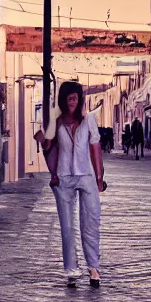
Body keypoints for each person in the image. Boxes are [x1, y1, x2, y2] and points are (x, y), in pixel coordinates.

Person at [35, 81, 104, 288]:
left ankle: (93, 267)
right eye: (68, 97)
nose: (72, 101)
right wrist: (42, 137)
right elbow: (49, 146)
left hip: (86, 176)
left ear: (80, 99)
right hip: (63, 177)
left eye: (75, 97)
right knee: (67, 226)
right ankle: (72, 270)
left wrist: (99, 177)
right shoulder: (57, 123)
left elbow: (95, 147)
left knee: (91, 221)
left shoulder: (89, 120)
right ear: (63, 100)